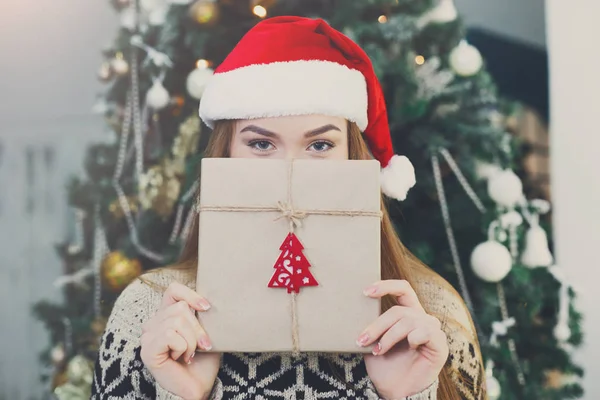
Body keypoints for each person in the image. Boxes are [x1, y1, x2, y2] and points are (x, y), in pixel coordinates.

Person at [91, 16, 487, 400]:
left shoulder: (433, 317)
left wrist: (409, 396)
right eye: (261, 144)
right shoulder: (148, 314)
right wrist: (180, 395)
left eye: (320, 145)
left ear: (353, 158)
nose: (290, 171)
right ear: (226, 154)